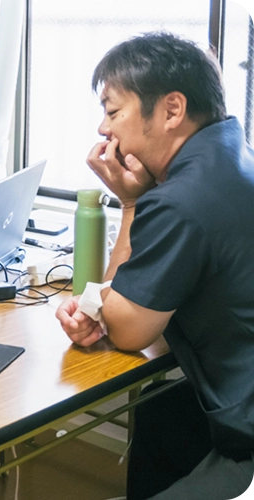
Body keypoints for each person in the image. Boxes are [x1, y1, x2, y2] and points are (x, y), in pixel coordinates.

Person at [55, 32, 254, 498]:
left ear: (172, 110)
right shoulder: (233, 158)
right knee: (160, 409)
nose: (103, 129)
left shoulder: (179, 200)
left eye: (112, 111)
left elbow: (129, 331)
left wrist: (131, 204)